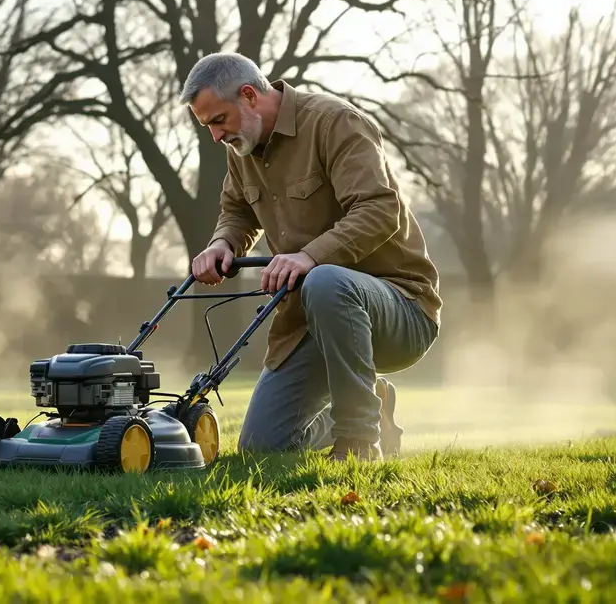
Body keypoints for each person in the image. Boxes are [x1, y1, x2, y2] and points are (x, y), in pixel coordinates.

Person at [183, 52, 442, 462]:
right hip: (308, 322)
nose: (215, 136)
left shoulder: (334, 123)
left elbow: (380, 211)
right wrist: (222, 245)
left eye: (218, 121)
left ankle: (359, 441)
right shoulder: (242, 149)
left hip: (400, 310)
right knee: (262, 448)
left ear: (249, 95)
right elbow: (236, 213)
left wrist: (310, 257)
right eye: (207, 126)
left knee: (325, 280)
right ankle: (373, 403)